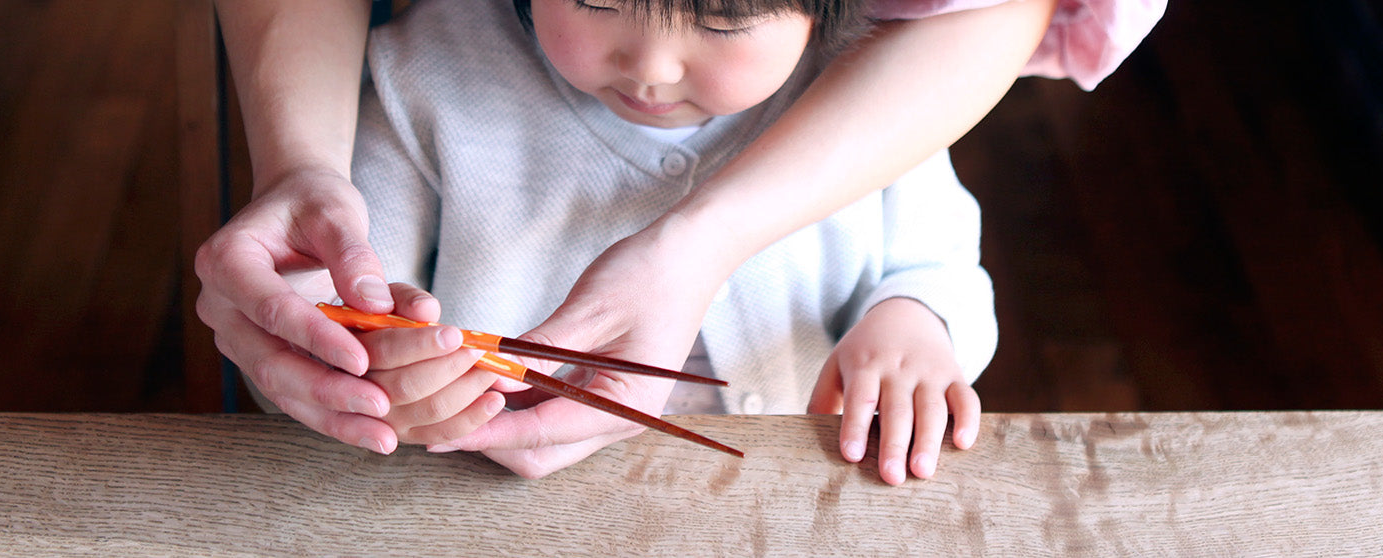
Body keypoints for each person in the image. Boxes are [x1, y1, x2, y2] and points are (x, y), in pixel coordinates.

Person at [197, 0, 1164, 482]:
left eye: (724, 19)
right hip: (497, 499)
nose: (652, 66)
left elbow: (940, 259)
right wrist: (385, 357)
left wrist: (914, 323)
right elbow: (355, 283)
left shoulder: (862, 100)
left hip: (781, 496)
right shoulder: (424, 77)